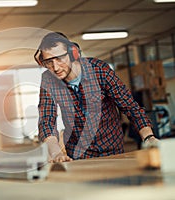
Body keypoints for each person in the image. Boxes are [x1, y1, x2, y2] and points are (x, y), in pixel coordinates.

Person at [34, 32, 159, 163]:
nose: (55, 67)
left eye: (59, 58)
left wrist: (149, 137)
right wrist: (56, 152)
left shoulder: (99, 70)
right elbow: (47, 120)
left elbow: (130, 107)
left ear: (73, 54)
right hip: (78, 154)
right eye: (49, 62)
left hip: (112, 150)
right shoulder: (48, 80)